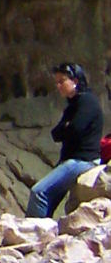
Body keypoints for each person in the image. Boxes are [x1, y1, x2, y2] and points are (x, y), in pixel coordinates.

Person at [26, 61, 103, 218]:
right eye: (57, 82)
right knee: (47, 199)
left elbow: (75, 129)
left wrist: (67, 127)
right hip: (72, 161)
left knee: (39, 193)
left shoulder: (87, 101)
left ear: (75, 81)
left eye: (62, 81)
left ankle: (35, 235)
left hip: (82, 161)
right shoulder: (73, 106)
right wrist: (67, 127)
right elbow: (56, 134)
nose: (58, 86)